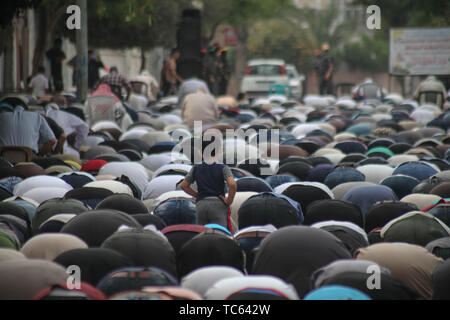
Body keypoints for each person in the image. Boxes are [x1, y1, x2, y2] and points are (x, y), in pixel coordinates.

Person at [180, 138, 237, 230]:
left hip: (200, 205)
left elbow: (184, 185)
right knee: (220, 232)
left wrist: (197, 195)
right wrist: (229, 200)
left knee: (201, 232)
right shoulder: (223, 168)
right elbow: (232, 184)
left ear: (200, 152)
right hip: (218, 204)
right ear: (220, 150)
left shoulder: (196, 168)